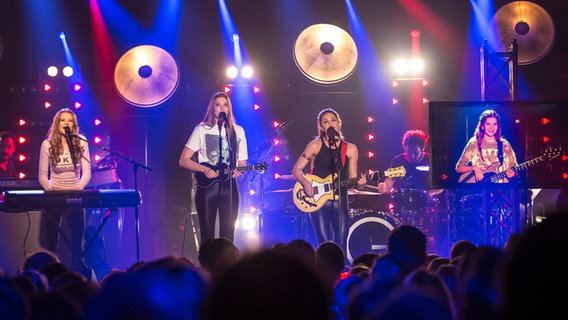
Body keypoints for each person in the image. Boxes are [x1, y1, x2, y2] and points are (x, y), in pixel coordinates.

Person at [291, 108, 366, 258]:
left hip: (340, 199)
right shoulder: (315, 145)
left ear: (339, 123)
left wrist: (361, 184)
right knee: (323, 244)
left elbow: (352, 179)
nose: (330, 124)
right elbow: (296, 170)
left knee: (341, 243)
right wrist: (306, 183)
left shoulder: (350, 148)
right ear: (320, 127)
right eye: (325, 121)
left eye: (333, 120)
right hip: (317, 201)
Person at [179, 92, 248, 245]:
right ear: (212, 108)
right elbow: (183, 160)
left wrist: (239, 171)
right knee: (207, 232)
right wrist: (203, 169)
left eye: (225, 105)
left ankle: (227, 265)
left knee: (228, 233)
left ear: (229, 109)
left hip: (229, 186)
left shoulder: (238, 131)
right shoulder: (201, 129)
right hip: (207, 186)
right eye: (218, 105)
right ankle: (206, 266)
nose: (222, 108)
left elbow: (242, 162)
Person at [38, 108, 91, 272]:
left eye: (70, 120)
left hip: (75, 194)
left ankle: (79, 270)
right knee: (51, 239)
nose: (66, 123)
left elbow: (87, 172)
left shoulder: (81, 141)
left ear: (74, 125)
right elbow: (41, 175)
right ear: (57, 123)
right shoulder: (47, 144)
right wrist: (51, 191)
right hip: (54, 195)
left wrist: (78, 188)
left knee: (77, 239)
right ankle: (50, 270)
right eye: (63, 120)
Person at [455, 109, 518, 184]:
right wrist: (474, 168)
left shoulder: (505, 145)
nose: (492, 128)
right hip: (478, 191)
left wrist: (512, 175)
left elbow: (515, 171)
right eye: (488, 124)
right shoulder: (473, 143)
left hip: (501, 190)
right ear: (482, 126)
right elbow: (458, 168)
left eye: (494, 124)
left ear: (498, 126)